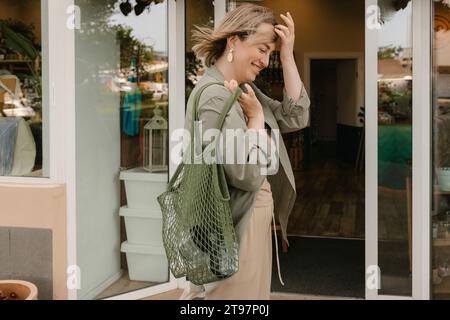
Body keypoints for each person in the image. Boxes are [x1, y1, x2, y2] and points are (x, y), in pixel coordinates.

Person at [180, 3, 310, 300]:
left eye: (270, 53)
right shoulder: (215, 95)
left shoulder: (241, 90)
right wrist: (255, 121)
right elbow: (248, 175)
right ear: (234, 41)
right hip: (237, 224)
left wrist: (287, 57)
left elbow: (296, 116)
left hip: (250, 218)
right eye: (262, 49)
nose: (265, 60)